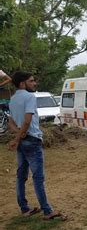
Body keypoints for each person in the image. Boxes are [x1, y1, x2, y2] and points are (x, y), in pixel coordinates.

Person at [8, 71, 67, 220]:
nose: (34, 83)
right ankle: (47, 211)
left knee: (21, 176)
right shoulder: (29, 97)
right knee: (38, 177)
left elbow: (11, 122)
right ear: (22, 83)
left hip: (23, 141)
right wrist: (19, 136)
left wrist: (18, 136)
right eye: (31, 81)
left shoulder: (13, 99)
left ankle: (24, 209)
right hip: (32, 140)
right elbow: (27, 121)